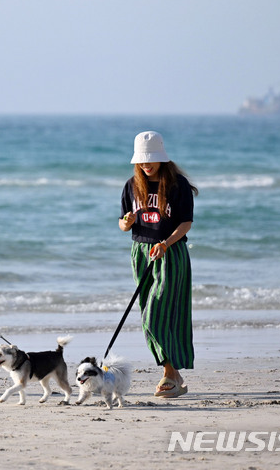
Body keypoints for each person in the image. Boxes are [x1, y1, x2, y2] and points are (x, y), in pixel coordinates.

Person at [118, 131, 198, 398]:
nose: (145, 165)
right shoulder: (132, 185)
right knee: (147, 314)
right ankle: (172, 374)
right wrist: (126, 223)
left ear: (162, 158)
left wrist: (166, 243)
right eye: (141, 161)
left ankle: (169, 374)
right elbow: (122, 223)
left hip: (169, 252)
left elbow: (185, 222)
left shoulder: (178, 185)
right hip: (140, 252)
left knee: (160, 312)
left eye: (150, 160)